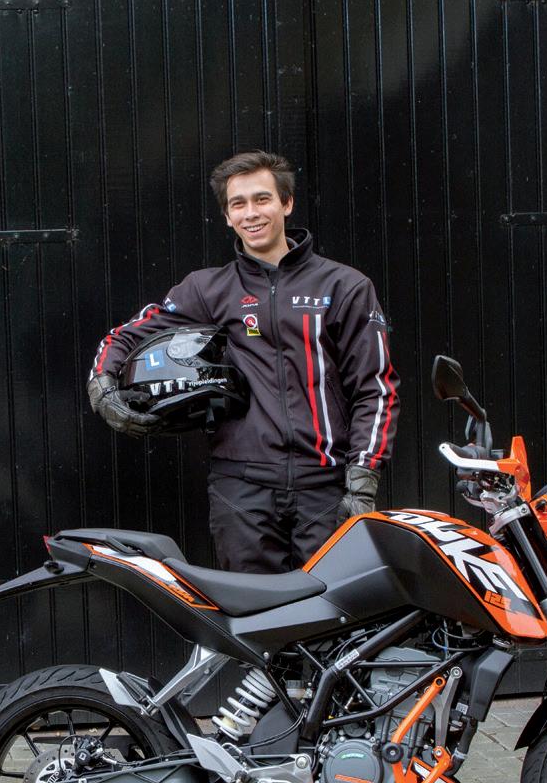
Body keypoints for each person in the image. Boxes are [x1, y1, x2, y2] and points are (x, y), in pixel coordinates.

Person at [87, 150, 400, 576]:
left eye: (262, 199)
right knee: (254, 614)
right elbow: (124, 336)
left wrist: (363, 480)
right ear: (227, 216)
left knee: (336, 609)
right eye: (238, 204)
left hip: (326, 489)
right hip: (242, 492)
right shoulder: (208, 289)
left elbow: (375, 387)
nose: (251, 213)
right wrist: (102, 387)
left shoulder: (344, 286)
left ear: (286, 203)